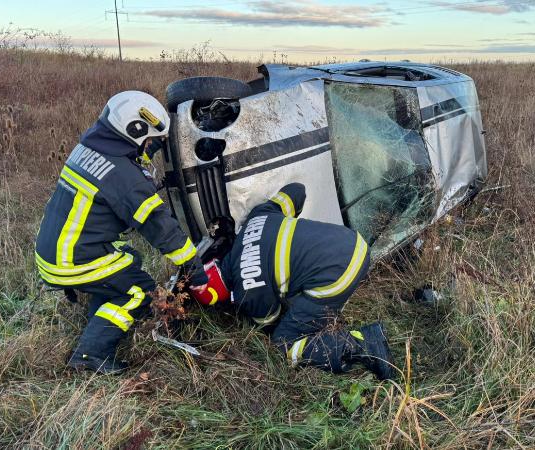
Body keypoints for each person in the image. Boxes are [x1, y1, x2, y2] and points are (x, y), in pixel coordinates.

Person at [35, 91, 208, 374]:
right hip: (72, 260)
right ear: (136, 131)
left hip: (54, 251)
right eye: (153, 144)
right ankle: (90, 355)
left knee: (129, 260)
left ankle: (100, 315)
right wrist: (194, 268)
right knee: (140, 292)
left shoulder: (89, 149)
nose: (151, 150)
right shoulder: (123, 175)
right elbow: (159, 226)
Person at [191, 183, 397, 380]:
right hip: (352, 241)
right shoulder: (255, 218)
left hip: (338, 274)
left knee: (283, 345)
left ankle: (362, 344)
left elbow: (272, 322)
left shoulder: (247, 291)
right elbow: (296, 191)